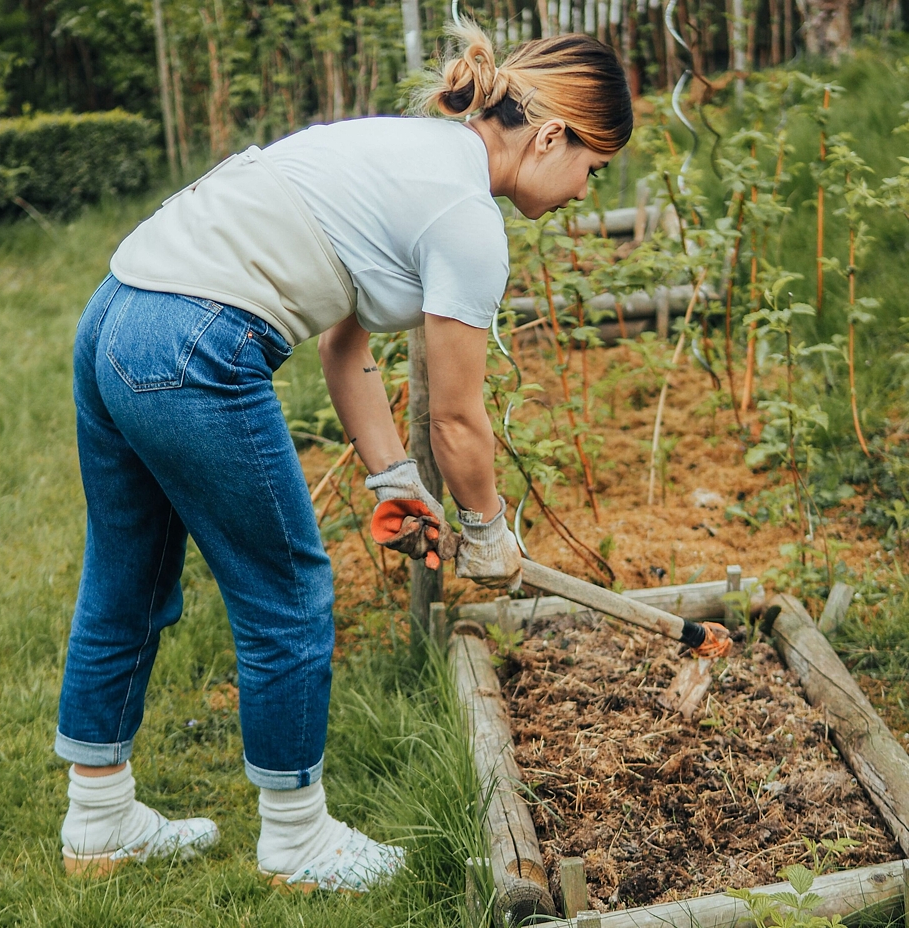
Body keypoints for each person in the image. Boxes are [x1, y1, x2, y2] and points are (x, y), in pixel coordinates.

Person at [55, 20, 632, 892]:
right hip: (190, 341)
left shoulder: (413, 150)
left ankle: (98, 817)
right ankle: (297, 839)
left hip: (116, 317)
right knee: (288, 591)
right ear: (552, 134)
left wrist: (394, 480)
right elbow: (461, 419)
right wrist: (486, 532)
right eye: (594, 166)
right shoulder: (469, 218)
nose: (589, 190)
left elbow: (343, 347)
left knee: (125, 573)